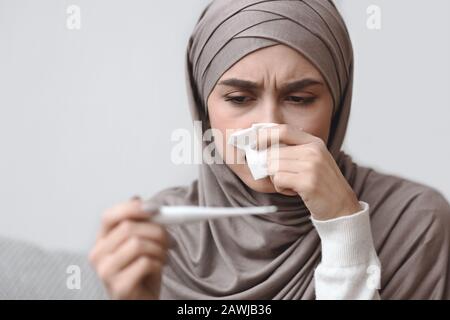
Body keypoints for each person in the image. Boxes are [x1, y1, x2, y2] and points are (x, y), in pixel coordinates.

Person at [89, 0, 450, 299]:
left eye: (299, 98)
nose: (271, 129)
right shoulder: (160, 238)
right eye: (239, 98)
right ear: (203, 106)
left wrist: (345, 231)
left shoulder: (415, 222)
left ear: (337, 105)